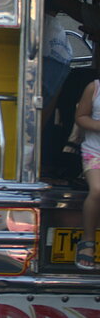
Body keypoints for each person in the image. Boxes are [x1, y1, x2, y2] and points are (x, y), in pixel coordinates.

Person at [73, 77, 100, 269]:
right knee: (97, 190)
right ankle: (88, 242)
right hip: (95, 152)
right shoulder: (94, 87)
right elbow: (80, 117)